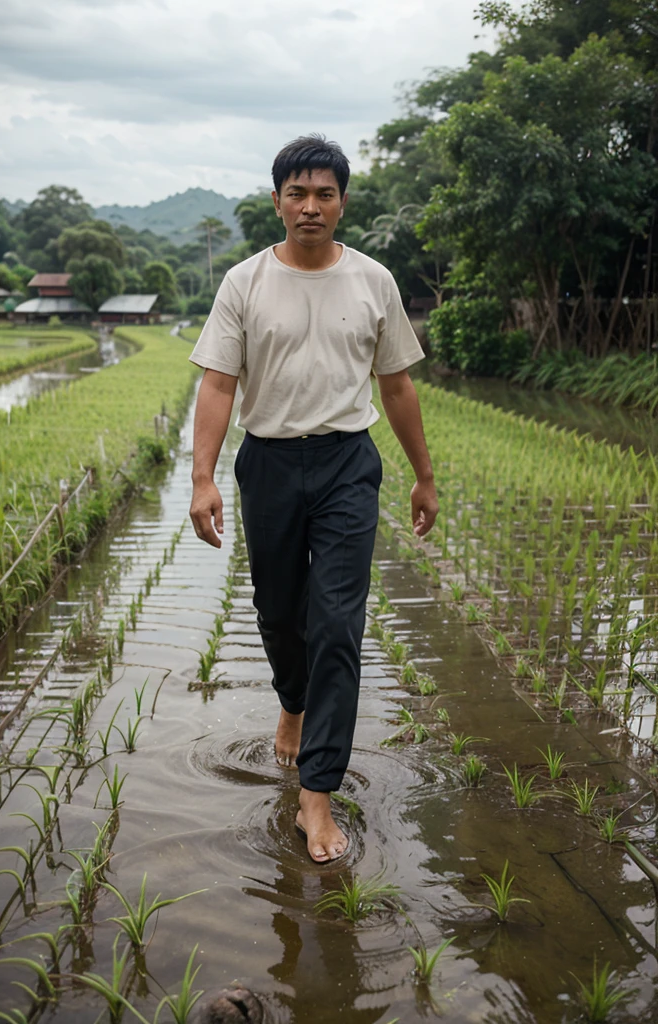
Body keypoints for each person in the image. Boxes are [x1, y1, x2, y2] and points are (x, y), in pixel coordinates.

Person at [188, 134, 438, 864]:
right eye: (296, 193)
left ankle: (317, 796)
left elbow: (395, 385)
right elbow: (217, 384)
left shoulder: (372, 281)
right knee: (278, 612)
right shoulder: (244, 282)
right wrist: (203, 477)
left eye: (323, 194)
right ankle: (291, 704)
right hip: (266, 461)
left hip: (346, 466)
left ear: (342, 204)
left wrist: (424, 474)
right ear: (277, 202)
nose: (310, 206)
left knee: (337, 625)